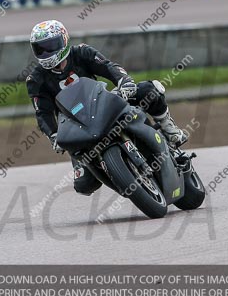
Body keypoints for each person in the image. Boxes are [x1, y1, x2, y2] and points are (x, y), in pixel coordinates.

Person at [26, 19, 188, 196]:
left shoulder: (81, 52)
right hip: (75, 125)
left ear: (63, 40)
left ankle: (168, 128)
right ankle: (118, 175)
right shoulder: (35, 79)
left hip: (101, 104)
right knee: (84, 185)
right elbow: (42, 113)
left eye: (50, 45)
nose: (46, 52)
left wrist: (124, 81)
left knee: (149, 90)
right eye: (40, 48)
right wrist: (53, 134)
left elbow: (108, 67)